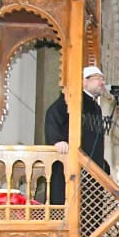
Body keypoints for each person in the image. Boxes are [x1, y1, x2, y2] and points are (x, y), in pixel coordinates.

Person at [45, 64, 110, 203]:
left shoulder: (96, 108)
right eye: (98, 78)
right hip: (70, 169)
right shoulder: (70, 99)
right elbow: (53, 116)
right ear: (84, 81)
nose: (102, 83)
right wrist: (57, 140)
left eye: (103, 79)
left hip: (92, 172)